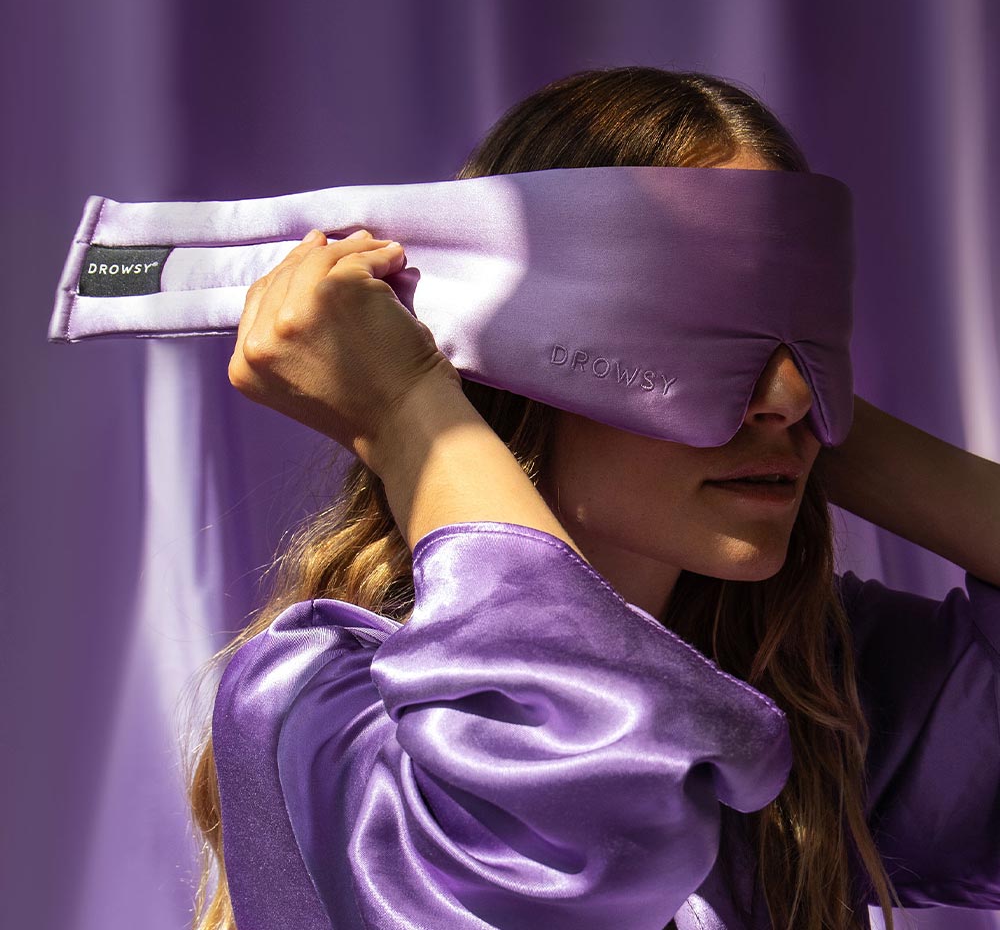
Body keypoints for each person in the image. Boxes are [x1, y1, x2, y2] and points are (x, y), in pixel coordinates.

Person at [184, 67, 1000, 930]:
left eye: (811, 330)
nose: (789, 396)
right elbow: (570, 831)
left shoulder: (804, 683)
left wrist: (820, 417)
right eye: (696, 326)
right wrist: (408, 412)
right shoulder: (324, 703)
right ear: (519, 360)